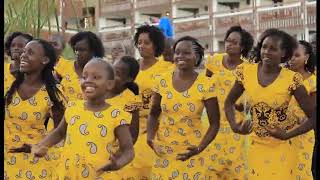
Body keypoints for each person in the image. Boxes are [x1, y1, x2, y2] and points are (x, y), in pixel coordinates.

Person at [10, 58, 135, 179]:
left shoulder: (116, 115)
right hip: (67, 172)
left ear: (110, 84)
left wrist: (117, 164)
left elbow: (128, 150)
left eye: (96, 77)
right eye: (84, 77)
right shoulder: (73, 107)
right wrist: (41, 145)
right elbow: (59, 132)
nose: (88, 81)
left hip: (97, 174)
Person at [224, 29, 314, 179]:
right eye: (264, 47)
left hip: (283, 147)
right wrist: (235, 126)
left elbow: (313, 117)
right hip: (256, 146)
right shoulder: (246, 72)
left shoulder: (292, 79)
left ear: (284, 53)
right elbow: (229, 102)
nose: (266, 52)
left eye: (273, 49)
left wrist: (287, 135)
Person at [147, 36, 220, 179]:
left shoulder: (206, 84)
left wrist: (200, 148)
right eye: (177, 52)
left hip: (191, 153)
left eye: (186, 53)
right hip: (164, 153)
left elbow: (214, 123)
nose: (180, 56)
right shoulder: (162, 80)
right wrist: (150, 138)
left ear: (197, 57)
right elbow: (154, 113)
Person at [4, 39, 65, 179]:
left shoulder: (53, 93)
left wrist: (39, 146)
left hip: (35, 161)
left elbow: (61, 130)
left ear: (44, 60)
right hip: (7, 159)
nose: (23, 55)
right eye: (24, 52)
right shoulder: (8, 86)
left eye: (30, 53)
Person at [203, 25, 254, 179]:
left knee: (235, 168)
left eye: (234, 42)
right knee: (211, 168)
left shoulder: (248, 68)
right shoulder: (213, 61)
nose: (229, 44)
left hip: (235, 123)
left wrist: (245, 105)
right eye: (227, 41)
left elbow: (252, 94)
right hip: (213, 122)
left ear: (242, 46)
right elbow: (204, 87)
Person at [270, 40, 316, 180]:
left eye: (296, 55)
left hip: (302, 135)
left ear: (306, 57)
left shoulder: (312, 82)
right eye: (290, 55)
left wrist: (298, 118)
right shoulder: (282, 79)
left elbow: (312, 115)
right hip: (280, 134)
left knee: (300, 173)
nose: (292, 59)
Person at [132, 24, 165, 178]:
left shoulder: (166, 68)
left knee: (149, 169)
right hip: (131, 127)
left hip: (155, 128)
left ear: (156, 45)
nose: (141, 46)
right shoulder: (130, 67)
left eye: (147, 42)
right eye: (139, 42)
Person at [59, 31, 105, 101]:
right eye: (76, 50)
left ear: (93, 51)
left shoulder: (103, 72)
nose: (77, 53)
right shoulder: (62, 67)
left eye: (82, 50)